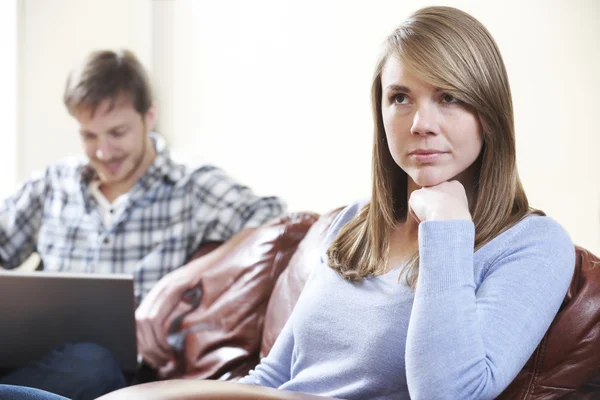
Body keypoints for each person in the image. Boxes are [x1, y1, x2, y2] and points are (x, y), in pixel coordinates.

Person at [239, 6, 575, 400]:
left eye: (448, 97)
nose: (420, 124)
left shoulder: (534, 244)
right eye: (400, 98)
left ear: (489, 111)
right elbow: (272, 377)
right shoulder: (354, 221)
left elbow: (447, 394)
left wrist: (447, 231)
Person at [0, 49, 286, 399]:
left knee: (92, 362)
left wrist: (183, 277)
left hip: (108, 370)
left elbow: (276, 218)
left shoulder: (190, 185)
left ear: (149, 116)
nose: (103, 151)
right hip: (28, 355)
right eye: (89, 136)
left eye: (117, 133)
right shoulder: (52, 183)